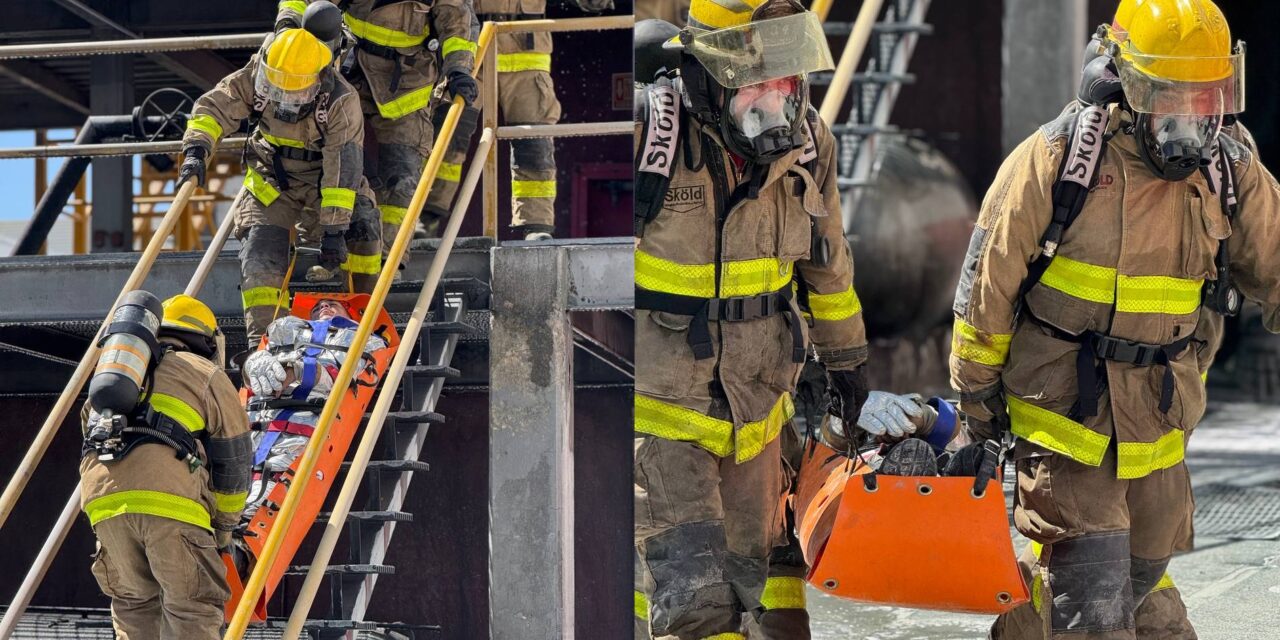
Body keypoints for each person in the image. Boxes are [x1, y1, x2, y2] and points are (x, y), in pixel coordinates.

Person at [949, 1, 1280, 637]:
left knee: (1140, 587)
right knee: (1094, 610)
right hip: (1067, 421)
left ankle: (1025, 622)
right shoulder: (1059, 160)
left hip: (1159, 427)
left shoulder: (1228, 166)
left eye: (1208, 103)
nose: (1192, 127)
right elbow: (986, 290)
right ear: (1129, 87)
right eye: (1174, 104)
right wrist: (977, 401)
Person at [631, 1, 919, 638]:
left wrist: (849, 365)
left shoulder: (808, 143)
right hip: (663, 417)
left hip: (759, 418)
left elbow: (829, 269)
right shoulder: (653, 137)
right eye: (759, 79)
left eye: (787, 76)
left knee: (759, 597)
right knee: (696, 607)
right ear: (712, 73)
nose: (779, 95)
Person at [179, 15, 381, 344]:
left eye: (295, 91)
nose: (285, 97)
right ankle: (265, 345)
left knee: (364, 228)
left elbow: (342, 168)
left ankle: (364, 318)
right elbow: (215, 107)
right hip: (271, 178)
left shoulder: (341, 101)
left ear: (317, 79)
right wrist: (196, 150)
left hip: (323, 180)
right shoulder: (260, 70)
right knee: (260, 259)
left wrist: (334, 229)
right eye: (278, 86)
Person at [81, 295, 253, 640]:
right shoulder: (206, 373)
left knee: (134, 608)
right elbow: (234, 464)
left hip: (104, 507)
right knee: (191, 608)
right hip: (172, 504)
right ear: (206, 340)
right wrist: (222, 530)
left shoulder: (113, 374)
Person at [275, 0, 479, 269]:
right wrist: (288, 30)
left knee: (402, 179)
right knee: (326, 163)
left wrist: (458, 69)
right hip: (350, 70)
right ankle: (317, 252)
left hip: (408, 83)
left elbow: (457, 23)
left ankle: (387, 264)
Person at [448, 0, 613, 240]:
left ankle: (537, 225)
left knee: (534, 146)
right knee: (450, 137)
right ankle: (426, 217)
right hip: (472, 61)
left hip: (528, 64)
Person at [240, 297, 389, 519]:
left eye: (332, 304)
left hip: (308, 417)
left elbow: (348, 378)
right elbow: (250, 382)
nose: (324, 307)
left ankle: (248, 531)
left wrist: (298, 370)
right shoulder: (286, 332)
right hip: (262, 415)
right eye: (317, 307)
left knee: (273, 477)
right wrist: (252, 365)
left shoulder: (365, 340)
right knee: (237, 473)